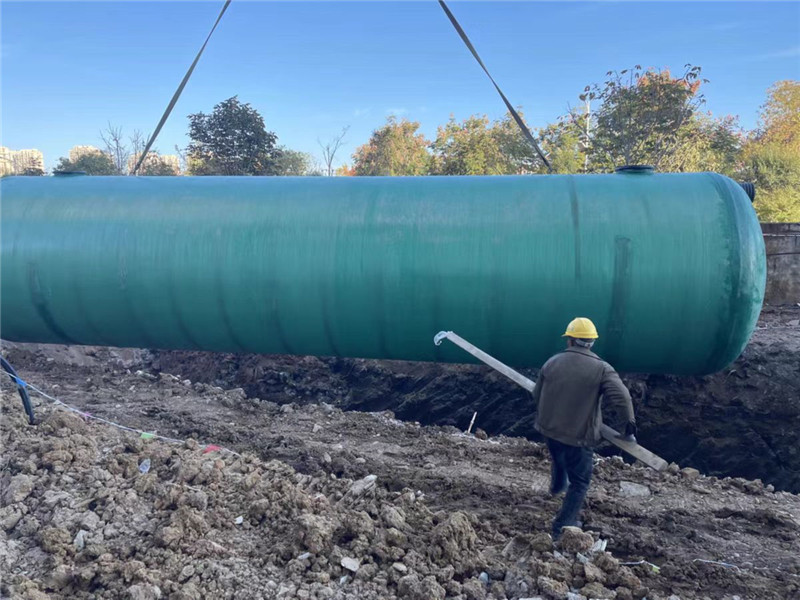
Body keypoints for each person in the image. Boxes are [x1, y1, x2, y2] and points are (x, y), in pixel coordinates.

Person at [531, 317, 636, 540]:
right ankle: (562, 526)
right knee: (580, 482)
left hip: (549, 428)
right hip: (578, 437)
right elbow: (622, 398)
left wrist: (547, 416)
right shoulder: (602, 369)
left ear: (570, 340)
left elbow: (537, 393)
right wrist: (628, 428)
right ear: (592, 342)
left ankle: (557, 486)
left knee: (558, 456)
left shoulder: (552, 362)